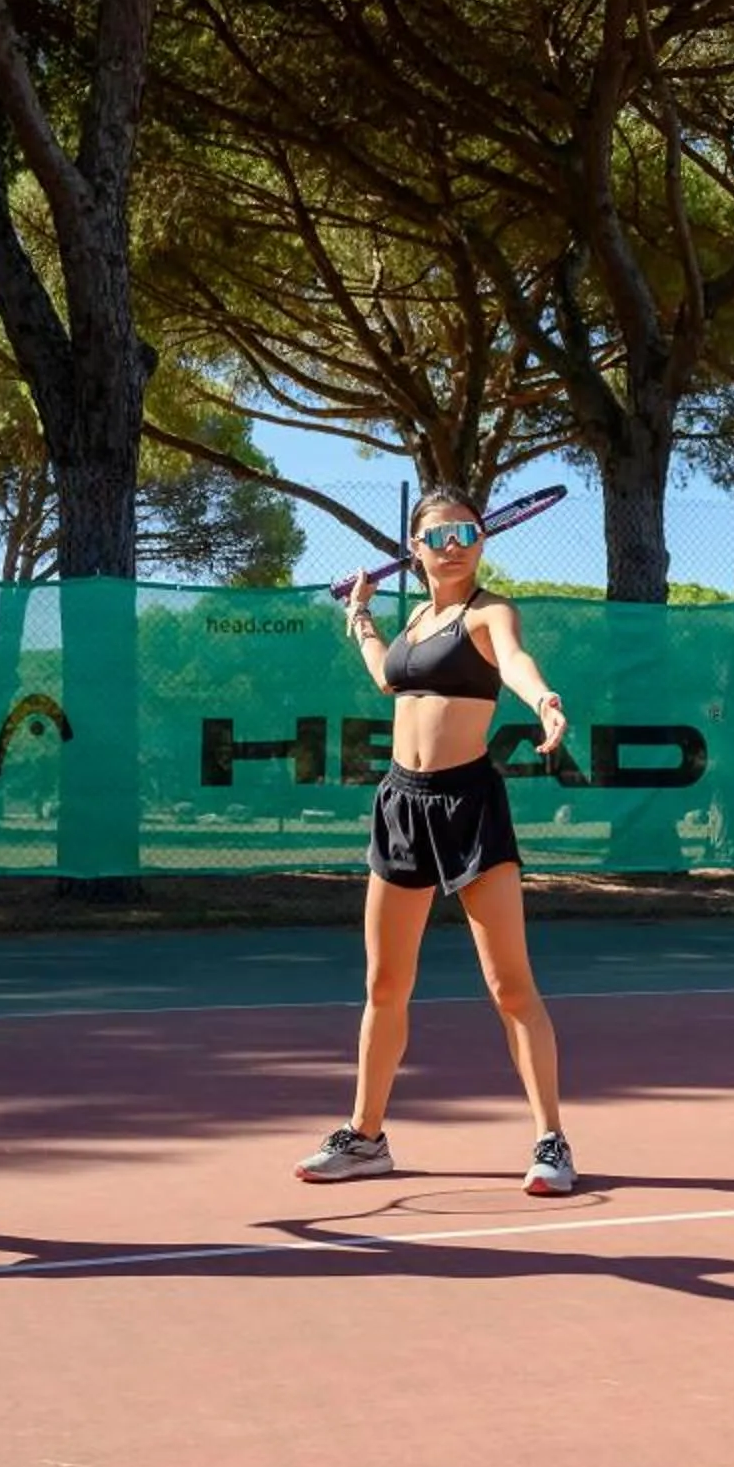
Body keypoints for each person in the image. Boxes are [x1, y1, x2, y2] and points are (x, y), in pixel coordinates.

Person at [298, 488, 581, 1195]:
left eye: (466, 531)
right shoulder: (416, 622)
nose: (453, 543)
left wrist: (542, 697)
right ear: (416, 547)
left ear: (481, 542)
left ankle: (552, 1141)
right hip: (400, 804)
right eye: (438, 535)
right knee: (385, 985)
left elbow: (513, 661)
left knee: (509, 985)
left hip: (469, 806)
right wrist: (360, 614)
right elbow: (385, 676)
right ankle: (365, 1137)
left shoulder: (489, 614)